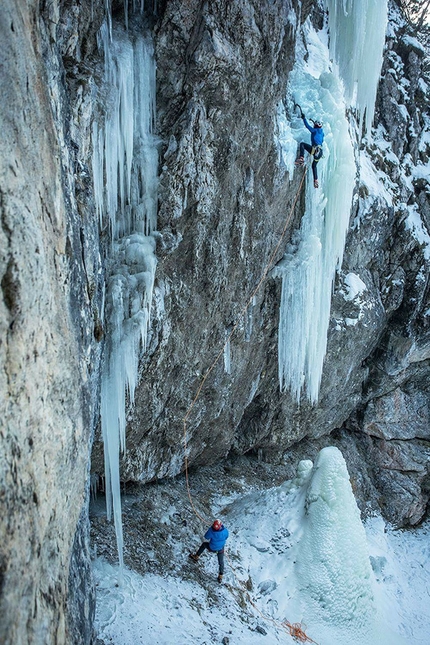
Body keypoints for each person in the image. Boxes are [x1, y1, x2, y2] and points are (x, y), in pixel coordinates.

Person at [189, 519, 229, 583]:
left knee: (204, 545)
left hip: (212, 547)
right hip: (220, 548)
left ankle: (196, 556)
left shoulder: (211, 531)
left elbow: (206, 537)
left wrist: (211, 529)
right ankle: (220, 576)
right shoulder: (225, 531)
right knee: (221, 562)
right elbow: (226, 537)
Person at [295, 114, 324, 188]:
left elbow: (307, 126)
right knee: (314, 166)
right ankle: (316, 180)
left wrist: (304, 118)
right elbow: (321, 140)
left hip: (315, 150)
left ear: (316, 125)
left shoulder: (314, 131)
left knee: (302, 144)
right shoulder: (322, 133)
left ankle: (301, 158)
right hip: (320, 152)